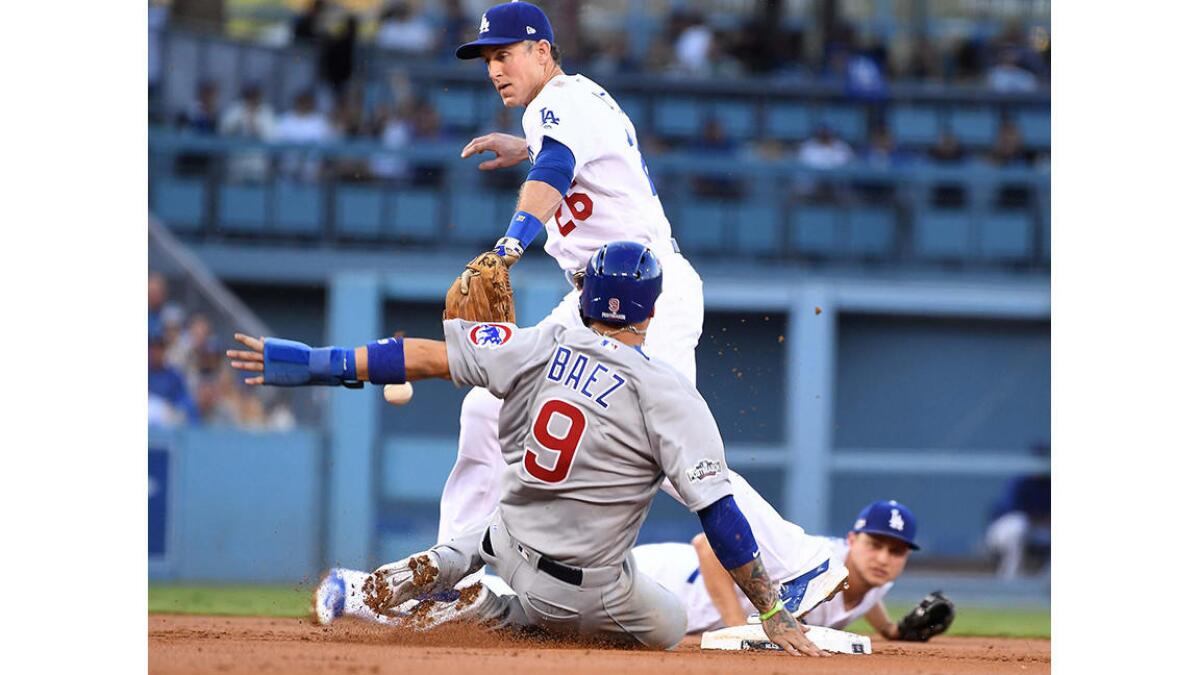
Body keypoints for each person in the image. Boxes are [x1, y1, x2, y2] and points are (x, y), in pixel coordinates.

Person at [228, 242, 835, 655]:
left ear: (585, 291)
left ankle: (372, 586)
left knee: (492, 529)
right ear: (651, 310)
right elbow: (719, 514)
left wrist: (311, 363)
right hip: (585, 586)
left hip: (509, 540)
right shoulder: (668, 393)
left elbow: (416, 354)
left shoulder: (535, 342)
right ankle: (481, 610)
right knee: (671, 624)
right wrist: (774, 613)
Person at [432, 2, 706, 559]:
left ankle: (791, 567)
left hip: (646, 291)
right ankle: (448, 568)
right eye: (487, 59)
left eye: (504, 54)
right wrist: (527, 148)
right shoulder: (573, 98)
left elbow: (557, 166)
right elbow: (565, 153)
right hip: (596, 298)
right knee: (488, 404)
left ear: (541, 50)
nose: (494, 70)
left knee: (681, 455)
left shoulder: (555, 102)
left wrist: (509, 245)